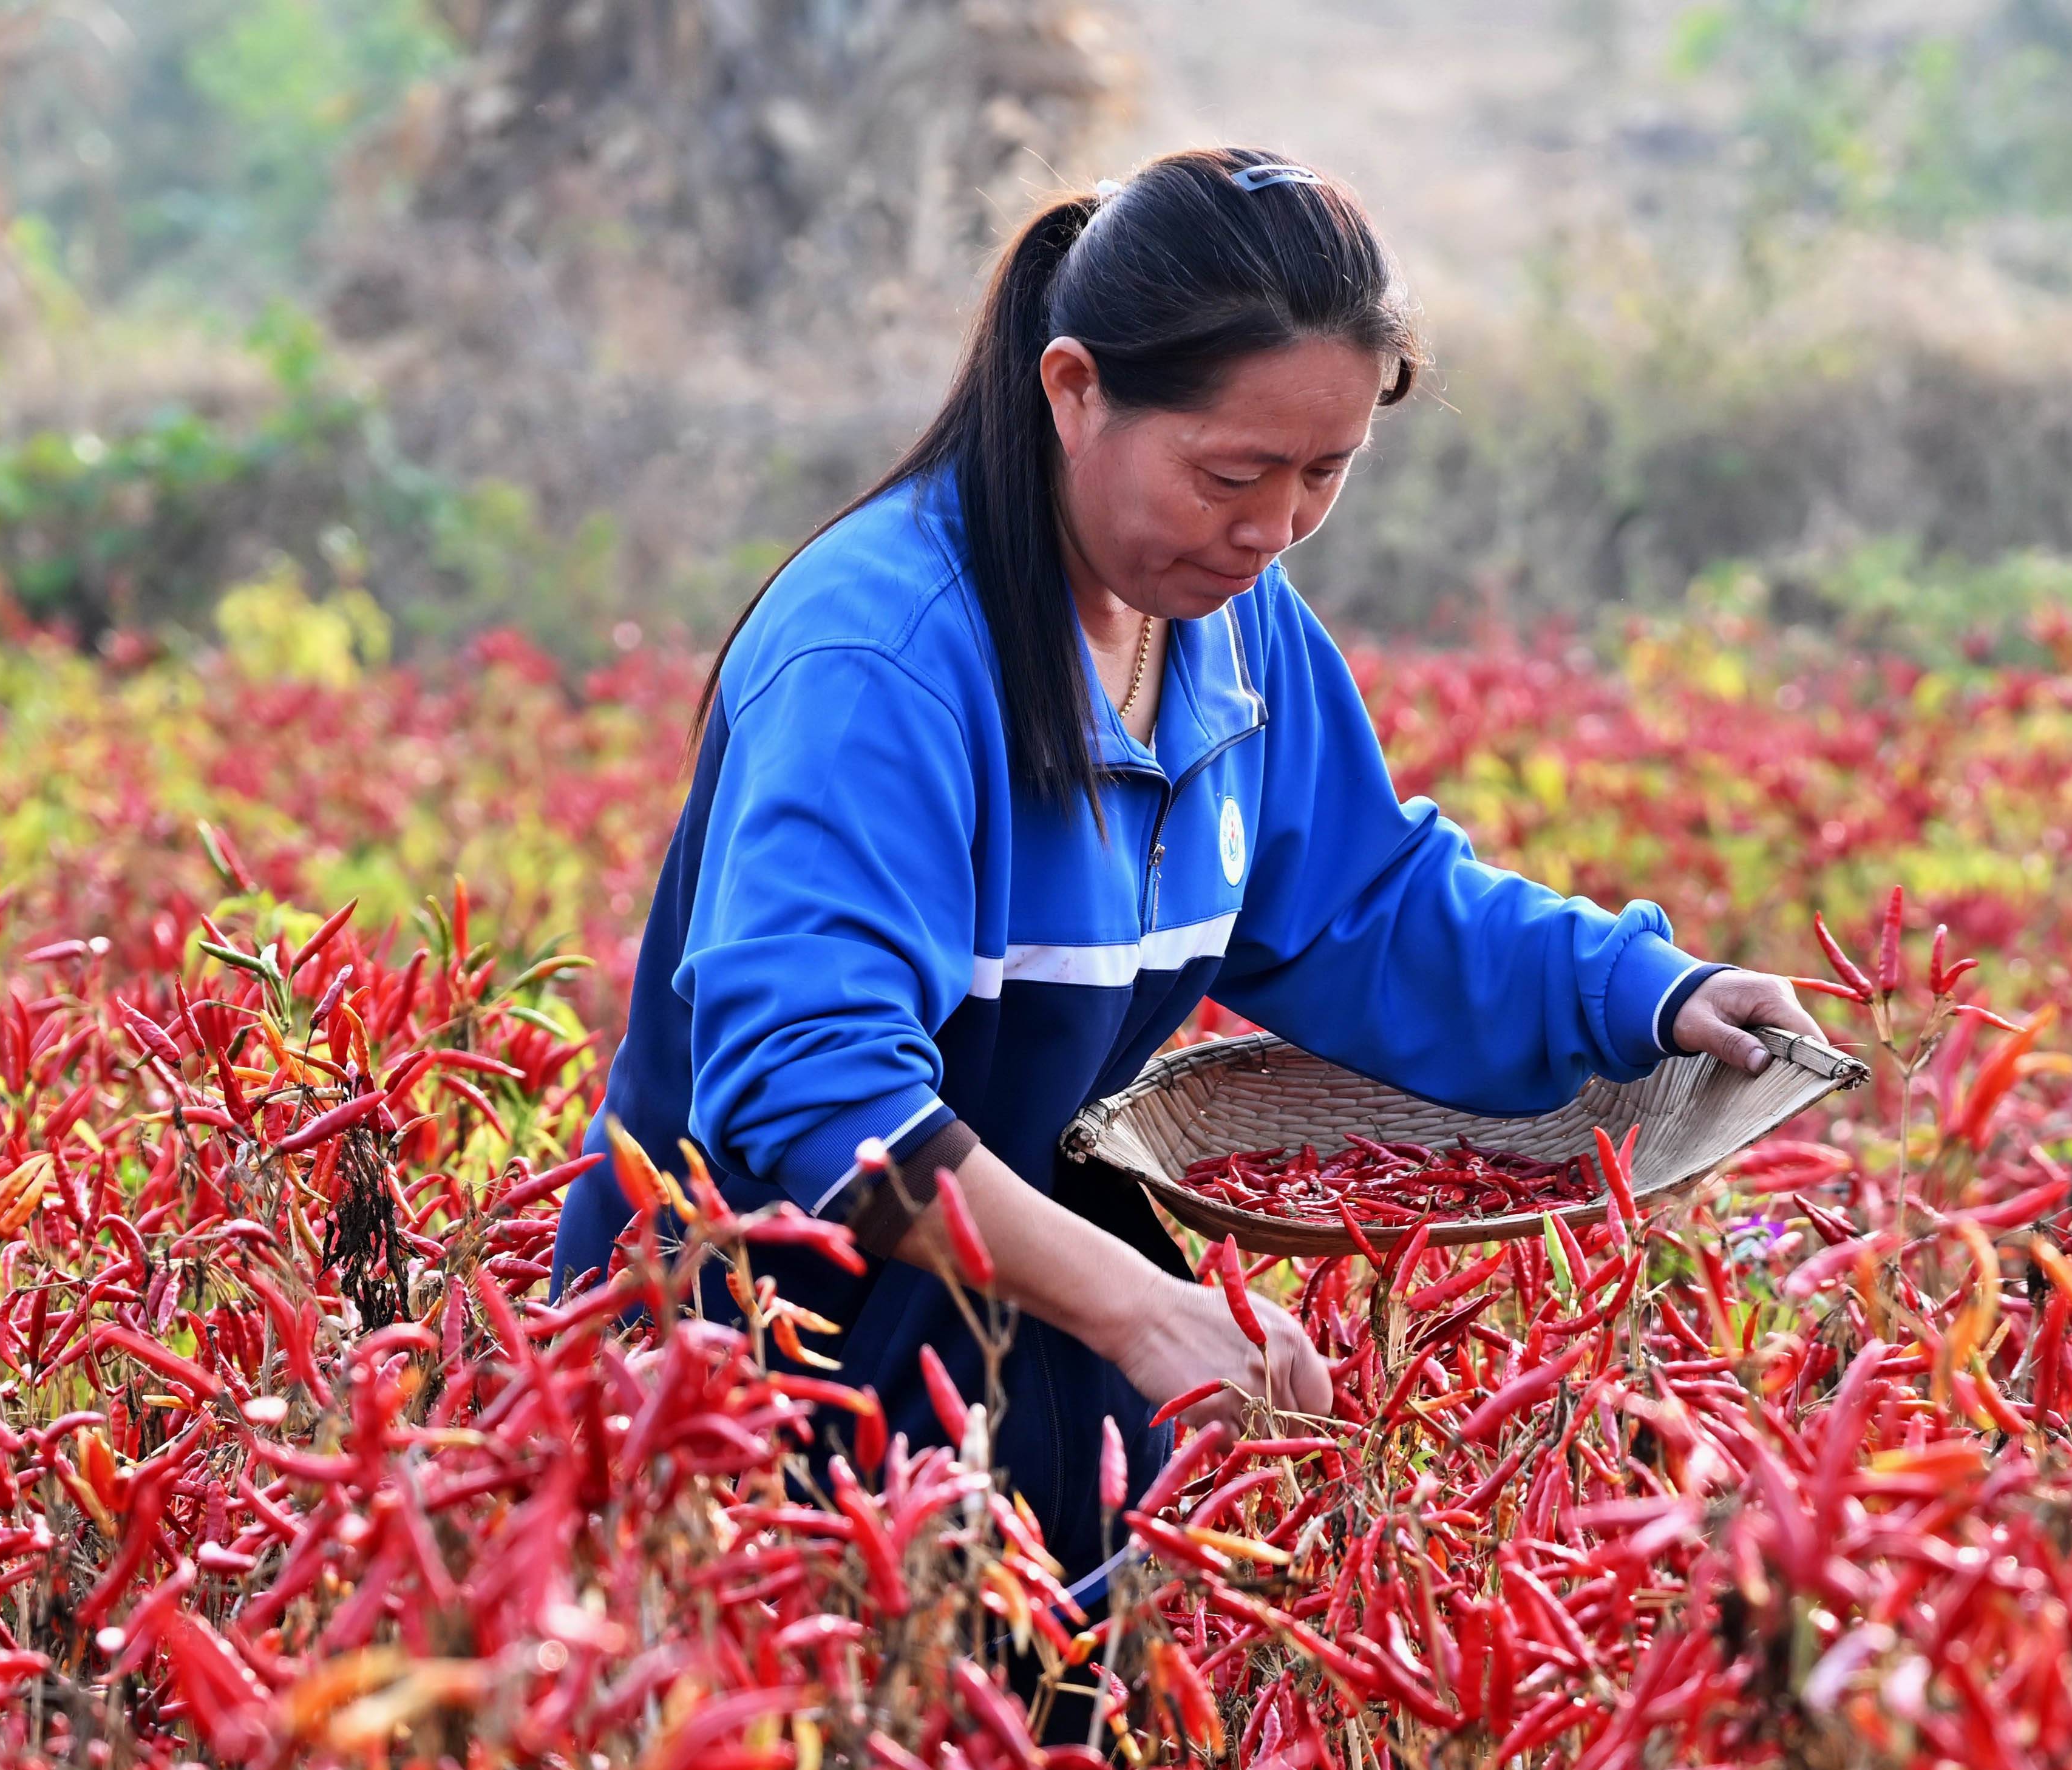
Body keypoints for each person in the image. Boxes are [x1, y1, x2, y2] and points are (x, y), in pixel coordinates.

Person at [550, 149, 1822, 1580]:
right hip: (756, 1386)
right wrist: (1147, 1313)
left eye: (1323, 475)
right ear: (1075, 388)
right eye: (1231, 473)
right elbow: (810, 1090)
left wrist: (1647, 991)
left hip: (1028, 1352)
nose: (1271, 529)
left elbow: (1363, 906)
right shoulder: (884, 655)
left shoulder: (1231, 628)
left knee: (1078, 1761)